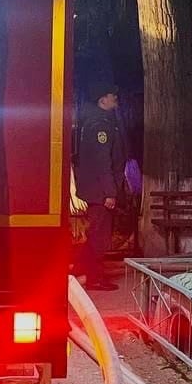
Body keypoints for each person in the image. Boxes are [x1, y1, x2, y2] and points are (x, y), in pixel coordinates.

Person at [75, 81, 125, 291]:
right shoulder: (100, 125)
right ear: (102, 100)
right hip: (100, 192)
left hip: (95, 189)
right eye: (112, 95)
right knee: (99, 236)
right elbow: (102, 161)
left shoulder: (97, 121)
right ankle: (94, 278)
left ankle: (81, 270)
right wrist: (110, 193)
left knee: (96, 233)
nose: (116, 97)